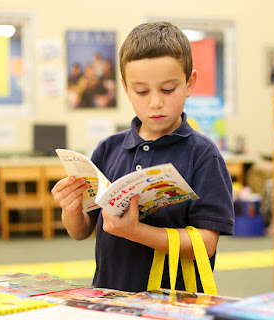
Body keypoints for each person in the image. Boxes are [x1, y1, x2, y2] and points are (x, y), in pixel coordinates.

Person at [52, 22, 234, 292]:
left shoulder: (203, 155)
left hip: (173, 303)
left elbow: (206, 245)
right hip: (110, 296)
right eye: (142, 91)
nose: (155, 103)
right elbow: (81, 231)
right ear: (125, 88)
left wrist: (135, 231)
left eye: (168, 89)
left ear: (189, 83)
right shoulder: (108, 149)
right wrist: (71, 209)